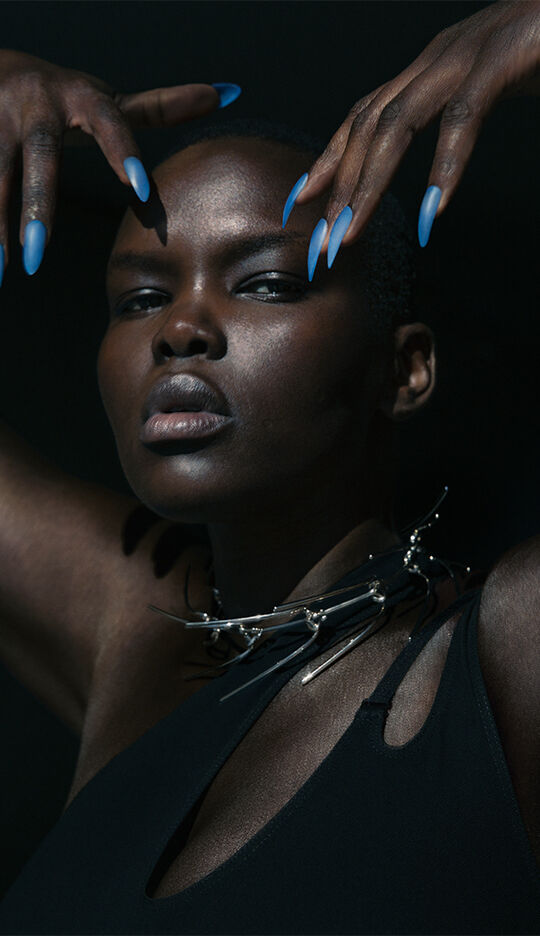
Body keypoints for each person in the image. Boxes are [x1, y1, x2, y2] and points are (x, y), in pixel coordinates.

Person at [0, 2, 539, 933]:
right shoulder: (131, 633)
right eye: (138, 297)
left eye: (266, 283)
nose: (180, 329)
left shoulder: (506, 654)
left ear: (404, 370)